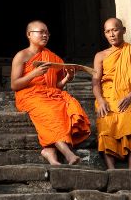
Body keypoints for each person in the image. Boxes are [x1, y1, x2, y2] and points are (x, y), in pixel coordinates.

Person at [11, 20, 91, 165]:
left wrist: (67, 78)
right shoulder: (21, 56)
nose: (45, 35)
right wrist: (33, 74)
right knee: (50, 113)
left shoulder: (53, 58)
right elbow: (14, 85)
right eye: (41, 32)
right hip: (29, 95)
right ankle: (68, 154)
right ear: (29, 34)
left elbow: (55, 87)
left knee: (68, 105)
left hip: (50, 95)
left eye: (47, 33)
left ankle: (50, 153)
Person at [92, 17, 131, 169]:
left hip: (127, 94)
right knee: (105, 126)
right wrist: (100, 100)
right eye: (107, 31)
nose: (111, 34)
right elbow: (96, 82)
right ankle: (111, 169)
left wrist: (130, 96)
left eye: (115, 30)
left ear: (123, 30)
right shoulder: (100, 56)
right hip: (106, 96)